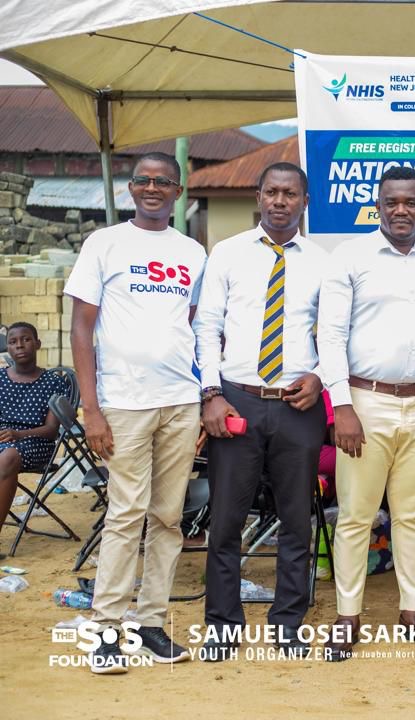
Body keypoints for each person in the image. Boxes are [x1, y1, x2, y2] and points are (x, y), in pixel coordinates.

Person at [65, 151, 206, 673]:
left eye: (162, 182)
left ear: (177, 190)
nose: (152, 188)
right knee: (126, 513)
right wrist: (91, 408)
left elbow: (189, 325)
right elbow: (82, 328)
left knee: (169, 517)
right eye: (143, 181)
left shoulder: (192, 251)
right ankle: (104, 629)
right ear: (130, 189)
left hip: (178, 401)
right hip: (122, 403)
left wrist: (199, 396)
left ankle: (148, 623)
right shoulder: (104, 243)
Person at [317, 166, 415, 659]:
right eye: (392, 202)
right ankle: (347, 615)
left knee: (413, 513)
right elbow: (329, 336)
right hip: (365, 401)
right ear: (377, 205)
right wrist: (342, 407)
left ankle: (412, 608)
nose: (402, 210)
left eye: (411, 202)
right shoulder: (350, 257)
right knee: (356, 515)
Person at [194, 162, 326, 661]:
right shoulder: (227, 255)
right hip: (237, 400)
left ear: (304, 202)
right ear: (258, 195)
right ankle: (223, 626)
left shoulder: (322, 262)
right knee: (226, 521)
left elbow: (334, 333)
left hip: (299, 403)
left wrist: (319, 378)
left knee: (296, 521)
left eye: (290, 194)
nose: (279, 201)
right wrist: (211, 395)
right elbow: (206, 328)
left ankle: (287, 623)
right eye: (271, 191)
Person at [0, 322, 69, 541]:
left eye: (26, 339)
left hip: (35, 443)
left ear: (37, 344)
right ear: (7, 348)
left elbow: (51, 430)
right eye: (13, 342)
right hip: (3, 440)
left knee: (8, 456)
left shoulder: (54, 382)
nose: (19, 346)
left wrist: (18, 435)